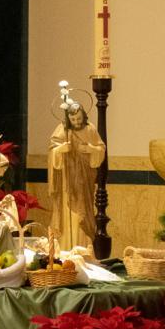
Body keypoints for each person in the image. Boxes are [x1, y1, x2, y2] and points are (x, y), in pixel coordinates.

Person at [47, 82, 106, 251]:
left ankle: (84, 248)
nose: (76, 122)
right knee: (69, 216)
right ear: (68, 119)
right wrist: (60, 150)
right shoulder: (62, 129)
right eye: (73, 119)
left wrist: (89, 149)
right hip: (67, 181)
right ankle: (66, 249)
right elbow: (52, 151)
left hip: (84, 181)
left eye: (79, 118)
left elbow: (101, 149)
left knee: (84, 213)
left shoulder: (90, 129)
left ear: (84, 116)